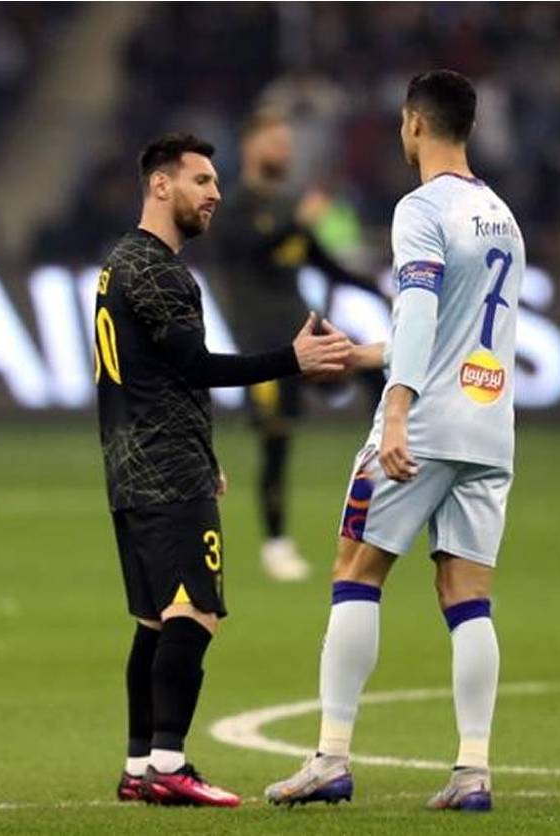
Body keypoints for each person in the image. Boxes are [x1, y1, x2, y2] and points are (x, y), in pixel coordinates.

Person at [263, 69, 523, 812]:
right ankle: (473, 771)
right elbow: (460, 329)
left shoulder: (421, 207)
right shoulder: (501, 215)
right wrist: (363, 355)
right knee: (467, 595)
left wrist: (398, 407)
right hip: (489, 424)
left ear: (414, 123)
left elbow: (417, 311)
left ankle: (330, 759)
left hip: (425, 420)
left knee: (356, 569)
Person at [96, 133, 352, 807]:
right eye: (201, 181)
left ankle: (138, 764)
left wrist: (204, 456)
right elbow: (198, 367)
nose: (213, 194)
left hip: (134, 465)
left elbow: (163, 378)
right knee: (197, 611)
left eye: (215, 182)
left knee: (156, 620)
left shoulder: (121, 264)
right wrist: (291, 359)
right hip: (162, 468)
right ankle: (170, 765)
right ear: (160, 185)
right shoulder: (158, 271)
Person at [214, 109, 384, 582]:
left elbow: (324, 263)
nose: (285, 151)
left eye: (287, 144)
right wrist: (295, 224)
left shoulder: (289, 206)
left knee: (374, 370)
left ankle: (387, 487)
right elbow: (247, 249)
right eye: (276, 142)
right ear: (251, 147)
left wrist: (383, 290)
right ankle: (275, 544)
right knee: (276, 440)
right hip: (262, 348)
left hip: (304, 331)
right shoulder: (233, 206)